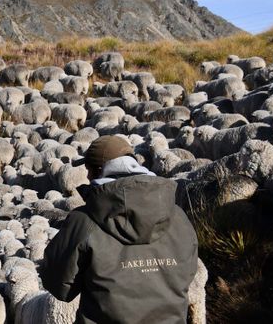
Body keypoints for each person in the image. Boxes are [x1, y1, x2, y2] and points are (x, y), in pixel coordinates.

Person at [39, 135, 198, 324]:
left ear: (99, 171)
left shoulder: (84, 221)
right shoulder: (178, 216)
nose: (87, 177)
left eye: (88, 170)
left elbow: (59, 286)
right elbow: (188, 272)